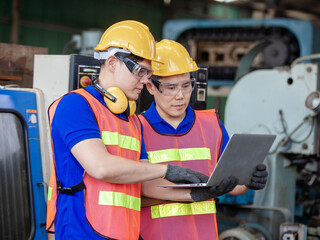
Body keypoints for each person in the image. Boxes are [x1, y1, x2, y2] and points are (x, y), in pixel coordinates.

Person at [45, 21, 209, 240]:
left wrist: (195, 193)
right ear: (112, 62)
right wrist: (166, 170)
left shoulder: (131, 119)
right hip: (82, 233)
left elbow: (141, 180)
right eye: (140, 71)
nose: (144, 80)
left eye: (148, 73)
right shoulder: (75, 105)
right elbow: (101, 167)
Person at [139, 39, 269, 240]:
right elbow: (129, 194)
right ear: (150, 86)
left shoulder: (212, 125)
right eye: (171, 87)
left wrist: (248, 180)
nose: (180, 96)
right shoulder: (135, 128)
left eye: (186, 85)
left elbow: (231, 185)